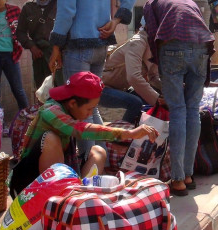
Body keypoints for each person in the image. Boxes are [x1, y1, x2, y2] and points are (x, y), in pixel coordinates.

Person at [9, 72, 158, 197]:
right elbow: (80, 129)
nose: (89, 114)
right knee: (51, 138)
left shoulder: (69, 109)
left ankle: (79, 197)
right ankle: (58, 200)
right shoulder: (50, 111)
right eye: (89, 109)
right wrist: (128, 134)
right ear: (73, 103)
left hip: (62, 174)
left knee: (98, 152)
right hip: (28, 185)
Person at [47, 0, 138, 127]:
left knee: (81, 111)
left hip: (78, 50)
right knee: (90, 106)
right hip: (100, 48)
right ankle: (99, 154)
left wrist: (55, 47)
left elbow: (66, 12)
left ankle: (91, 157)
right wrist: (115, 22)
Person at [143, 0, 214, 196]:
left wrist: (159, 64)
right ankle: (188, 175)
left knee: (177, 111)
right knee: (192, 110)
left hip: (172, 48)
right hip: (201, 47)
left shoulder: (151, 4)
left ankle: (177, 178)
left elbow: (152, 34)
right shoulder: (189, 2)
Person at [100, 21, 162, 125]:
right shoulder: (137, 42)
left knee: (151, 99)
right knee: (135, 102)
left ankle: (141, 134)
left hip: (121, 89)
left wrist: (169, 92)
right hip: (103, 89)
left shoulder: (153, 46)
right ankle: (120, 136)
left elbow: (153, 77)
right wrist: (157, 100)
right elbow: (133, 77)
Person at [16, 0, 61, 88]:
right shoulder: (28, 7)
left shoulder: (60, 4)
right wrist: (31, 46)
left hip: (57, 55)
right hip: (39, 56)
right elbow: (20, 32)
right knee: (42, 89)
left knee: (59, 87)